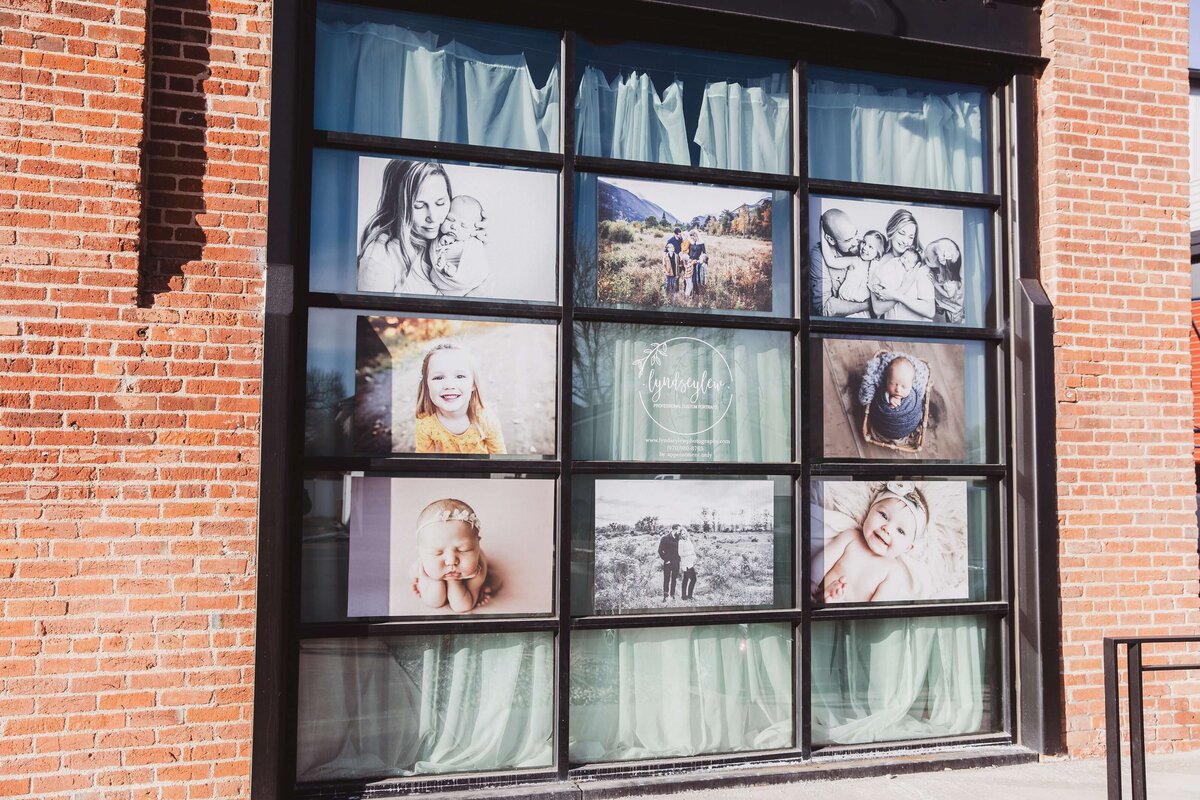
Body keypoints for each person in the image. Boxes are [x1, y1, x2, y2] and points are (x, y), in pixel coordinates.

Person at [813, 482, 928, 603]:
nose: (887, 529)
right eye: (883, 515)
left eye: (900, 531)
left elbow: (877, 608)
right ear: (870, 511)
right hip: (819, 599)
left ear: (908, 547)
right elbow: (821, 562)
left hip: (851, 618)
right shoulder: (851, 538)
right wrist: (811, 585)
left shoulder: (893, 571)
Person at [357, 159, 452, 295]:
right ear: (397, 205)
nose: (433, 217)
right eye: (419, 206)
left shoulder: (449, 238)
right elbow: (370, 316)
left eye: (440, 203)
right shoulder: (379, 259)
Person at [414, 343, 507, 454]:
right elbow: (423, 461)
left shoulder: (486, 420)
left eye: (460, 376)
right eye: (438, 377)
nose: (449, 385)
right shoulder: (426, 422)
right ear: (426, 385)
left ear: (473, 384)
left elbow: (499, 456)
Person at [410, 498, 494, 612]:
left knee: (472, 592)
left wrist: (455, 582)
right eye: (437, 553)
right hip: (430, 568)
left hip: (469, 578)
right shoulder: (425, 566)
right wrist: (435, 581)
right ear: (421, 552)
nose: (451, 560)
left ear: (477, 545)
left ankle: (475, 590)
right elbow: (435, 603)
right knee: (430, 589)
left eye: (464, 549)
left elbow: (462, 606)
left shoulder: (478, 570)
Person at [809, 208, 870, 318]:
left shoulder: (864, 247)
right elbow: (824, 307)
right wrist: (867, 305)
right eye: (848, 240)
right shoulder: (818, 256)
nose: (856, 242)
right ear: (830, 239)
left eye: (856, 234)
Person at [859, 352, 930, 442]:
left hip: (908, 426)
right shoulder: (882, 391)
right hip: (883, 425)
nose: (898, 390)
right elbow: (876, 403)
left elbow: (918, 404)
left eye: (904, 386)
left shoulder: (913, 395)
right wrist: (888, 401)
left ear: (911, 384)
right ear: (887, 380)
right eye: (892, 383)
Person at [430, 194, 490, 296]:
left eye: (464, 225)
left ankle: (454, 273)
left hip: (460, 285)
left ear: (475, 230)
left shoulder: (472, 244)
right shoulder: (440, 237)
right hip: (438, 282)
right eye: (450, 219)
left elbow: (476, 267)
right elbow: (436, 251)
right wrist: (441, 243)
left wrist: (457, 274)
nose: (454, 226)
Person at [924, 238, 965, 324]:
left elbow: (949, 295)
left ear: (941, 266)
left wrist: (935, 283)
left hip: (953, 309)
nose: (924, 258)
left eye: (927, 259)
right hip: (945, 302)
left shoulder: (951, 282)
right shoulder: (941, 270)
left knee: (952, 324)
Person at [838, 229, 884, 304]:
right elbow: (831, 261)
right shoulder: (855, 261)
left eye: (870, 247)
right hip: (845, 303)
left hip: (863, 309)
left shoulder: (874, 267)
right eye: (864, 242)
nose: (865, 248)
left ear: (878, 253)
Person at [658, 525, 682, 601]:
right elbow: (660, 550)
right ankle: (665, 596)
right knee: (666, 579)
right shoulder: (665, 538)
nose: (680, 531)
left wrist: (680, 559)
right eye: (679, 530)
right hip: (668, 562)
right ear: (674, 530)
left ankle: (672, 595)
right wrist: (666, 560)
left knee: (674, 579)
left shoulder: (679, 538)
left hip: (676, 562)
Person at [686, 228, 709, 295]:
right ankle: (692, 292)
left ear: (696, 236)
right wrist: (689, 259)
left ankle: (698, 293)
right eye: (691, 238)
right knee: (691, 279)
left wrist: (700, 261)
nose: (692, 239)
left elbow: (704, 254)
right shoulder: (691, 243)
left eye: (693, 237)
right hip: (691, 262)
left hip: (698, 263)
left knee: (697, 278)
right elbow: (690, 252)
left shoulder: (701, 243)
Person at [663, 228, 685, 296]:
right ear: (675, 234)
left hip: (681, 260)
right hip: (674, 261)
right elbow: (665, 251)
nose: (680, 235)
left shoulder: (681, 239)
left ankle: (682, 290)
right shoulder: (670, 240)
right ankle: (674, 291)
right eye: (679, 234)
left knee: (682, 275)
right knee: (675, 276)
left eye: (680, 234)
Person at [678, 529, 698, 600]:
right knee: (693, 579)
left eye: (684, 533)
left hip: (690, 562)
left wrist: (694, 557)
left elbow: (692, 550)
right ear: (680, 535)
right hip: (686, 564)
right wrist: (689, 553)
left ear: (686, 533)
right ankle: (689, 596)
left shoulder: (688, 540)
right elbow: (680, 553)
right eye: (682, 534)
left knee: (685, 579)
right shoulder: (681, 542)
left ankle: (684, 596)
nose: (684, 535)